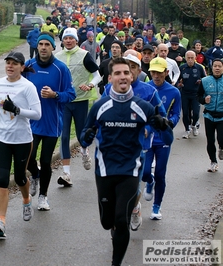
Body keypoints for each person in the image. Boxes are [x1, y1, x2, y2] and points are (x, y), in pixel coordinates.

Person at [80, 57, 173, 266]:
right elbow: (84, 133)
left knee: (121, 219)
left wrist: (163, 125)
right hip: (104, 169)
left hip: (131, 169)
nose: (123, 76)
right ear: (110, 78)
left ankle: (116, 263)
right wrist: (87, 137)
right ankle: (114, 228)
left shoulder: (144, 107)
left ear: (132, 77)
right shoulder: (100, 106)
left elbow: (168, 139)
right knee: (107, 222)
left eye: (126, 73)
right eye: (118, 73)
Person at [0, 52, 42, 238]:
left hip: (22, 139)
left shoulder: (28, 87)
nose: (10, 66)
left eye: (14, 64)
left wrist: (17, 110)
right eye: (8, 63)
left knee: (19, 178)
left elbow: (37, 113)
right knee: (2, 178)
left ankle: (26, 201)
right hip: (1, 137)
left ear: (21, 67)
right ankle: (0, 222)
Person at [23, 32, 76, 209]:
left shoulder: (61, 69)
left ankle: (43, 197)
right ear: (36, 46)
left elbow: (71, 94)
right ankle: (35, 175)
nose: (44, 47)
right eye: (41, 44)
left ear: (53, 47)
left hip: (52, 123)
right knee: (27, 157)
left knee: (46, 161)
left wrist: (55, 95)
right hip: (30, 122)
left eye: (47, 44)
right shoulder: (28, 66)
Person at [55, 27, 101, 186]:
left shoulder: (84, 55)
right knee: (65, 136)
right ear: (62, 40)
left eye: (71, 38)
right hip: (64, 102)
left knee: (83, 135)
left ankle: (84, 150)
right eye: (65, 38)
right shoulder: (57, 57)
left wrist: (90, 85)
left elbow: (97, 75)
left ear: (76, 40)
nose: (68, 41)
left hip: (81, 101)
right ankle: (66, 174)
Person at [142, 57, 181, 220]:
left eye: (159, 72)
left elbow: (176, 113)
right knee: (144, 172)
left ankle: (157, 206)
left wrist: (168, 123)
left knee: (160, 173)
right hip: (147, 137)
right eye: (153, 72)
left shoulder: (174, 92)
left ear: (166, 72)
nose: (156, 76)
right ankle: (149, 182)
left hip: (163, 138)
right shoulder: (146, 88)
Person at [197, 58, 223, 173]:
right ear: (211, 68)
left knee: (221, 139)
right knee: (210, 140)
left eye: (219, 66)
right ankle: (213, 162)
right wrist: (204, 100)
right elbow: (198, 96)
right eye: (215, 66)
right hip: (209, 115)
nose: (217, 68)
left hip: (222, 116)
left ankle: (222, 148)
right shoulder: (205, 81)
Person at [177, 50, 206, 139]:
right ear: (185, 58)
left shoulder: (199, 68)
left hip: (195, 94)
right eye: (188, 58)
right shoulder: (182, 68)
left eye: (192, 58)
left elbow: (205, 79)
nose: (190, 60)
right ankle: (187, 129)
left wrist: (201, 82)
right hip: (185, 93)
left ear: (195, 58)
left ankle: (194, 125)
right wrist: (179, 84)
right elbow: (177, 79)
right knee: (185, 113)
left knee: (196, 112)